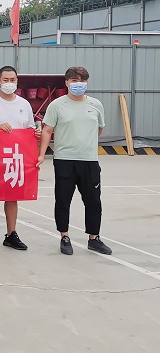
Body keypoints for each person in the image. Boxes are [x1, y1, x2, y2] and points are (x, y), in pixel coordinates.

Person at [38, 66, 111, 256]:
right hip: (64, 160)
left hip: (89, 160)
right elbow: (47, 130)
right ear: (67, 83)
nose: (79, 84)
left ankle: (94, 238)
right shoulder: (57, 105)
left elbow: (99, 128)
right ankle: (64, 236)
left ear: (87, 82)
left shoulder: (96, 104)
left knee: (93, 201)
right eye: (74, 80)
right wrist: (41, 155)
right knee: (63, 200)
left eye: (82, 80)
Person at [0, 66, 38, 252]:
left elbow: (30, 129)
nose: (9, 83)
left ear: (17, 81)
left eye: (12, 80)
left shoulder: (24, 104)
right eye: (5, 80)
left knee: (12, 196)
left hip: (16, 156)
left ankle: (11, 233)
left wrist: (36, 135)